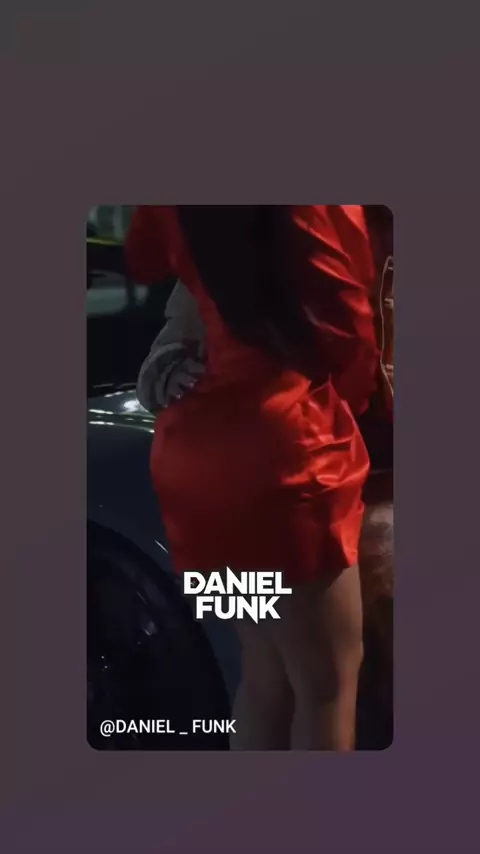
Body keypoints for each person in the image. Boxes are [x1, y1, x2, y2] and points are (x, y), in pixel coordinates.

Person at [125, 205, 379, 750]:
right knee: (327, 684)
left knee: (266, 673)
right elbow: (348, 328)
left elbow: (142, 256)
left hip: (193, 456)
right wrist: (355, 408)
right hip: (282, 456)